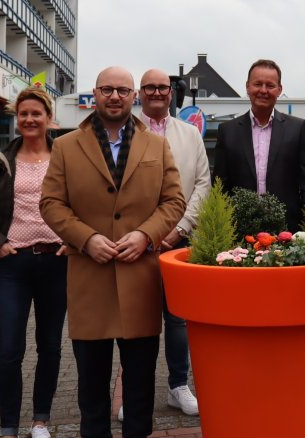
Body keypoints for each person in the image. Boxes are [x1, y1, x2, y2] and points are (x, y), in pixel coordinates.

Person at [40, 66, 186, 438]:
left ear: (133, 95)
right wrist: (85, 238)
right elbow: (52, 204)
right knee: (91, 390)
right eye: (108, 89)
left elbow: (173, 201)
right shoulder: (66, 145)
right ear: (95, 93)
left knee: (139, 389)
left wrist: (146, 235)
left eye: (123, 90)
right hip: (90, 278)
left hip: (140, 278)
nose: (115, 96)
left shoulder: (157, 145)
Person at [0, 86, 68, 438]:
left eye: (36, 113)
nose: (29, 119)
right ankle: (8, 425)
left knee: (50, 346)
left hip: (56, 263)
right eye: (23, 114)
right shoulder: (0, 161)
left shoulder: (65, 158)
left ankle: (41, 419)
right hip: (12, 265)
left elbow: (83, 204)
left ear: (48, 119)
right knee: (10, 348)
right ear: (18, 119)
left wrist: (72, 242)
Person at [119, 68, 210, 418]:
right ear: (139, 93)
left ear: (171, 93)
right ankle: (134, 393)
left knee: (178, 321)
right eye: (150, 87)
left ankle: (178, 386)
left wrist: (180, 230)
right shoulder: (123, 132)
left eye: (163, 87)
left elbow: (203, 184)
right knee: (136, 323)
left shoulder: (190, 134)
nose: (157, 92)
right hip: (134, 243)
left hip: (178, 241)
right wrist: (140, 235)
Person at [213, 59, 305, 231]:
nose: (263, 90)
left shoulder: (297, 128)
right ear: (247, 87)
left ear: (279, 89)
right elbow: (220, 186)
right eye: (257, 84)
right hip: (240, 230)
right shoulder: (227, 131)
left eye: (270, 85)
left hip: (287, 229)